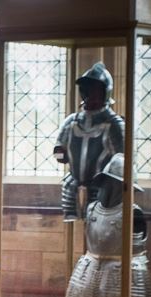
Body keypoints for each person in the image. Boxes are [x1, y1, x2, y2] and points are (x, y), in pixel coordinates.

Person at [64, 152, 151, 297]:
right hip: (89, 268)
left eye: (113, 184)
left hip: (123, 273)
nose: (107, 188)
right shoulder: (91, 209)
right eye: (106, 183)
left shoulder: (133, 212)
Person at [53, 62, 124, 219]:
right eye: (88, 89)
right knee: (70, 229)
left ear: (105, 91)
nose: (91, 94)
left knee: (97, 228)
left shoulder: (115, 124)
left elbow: (122, 163)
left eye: (96, 89)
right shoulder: (72, 121)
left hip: (101, 189)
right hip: (71, 184)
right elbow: (58, 152)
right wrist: (61, 155)